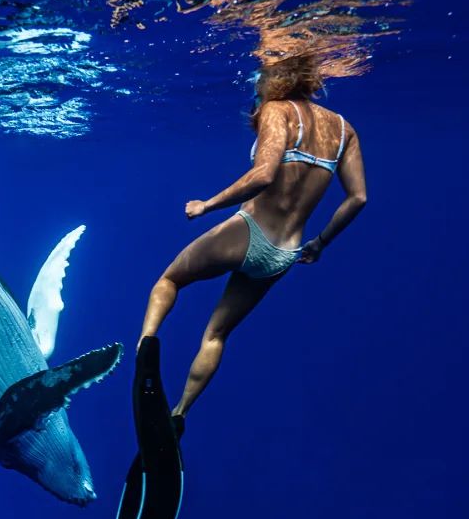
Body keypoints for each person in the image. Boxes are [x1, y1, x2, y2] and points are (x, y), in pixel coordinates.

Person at [138, 54, 368, 428]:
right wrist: (321, 242)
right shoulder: (343, 129)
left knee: (170, 281)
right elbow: (358, 198)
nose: (256, 83)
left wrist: (206, 205)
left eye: (261, 74)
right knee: (217, 334)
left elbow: (263, 176)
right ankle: (179, 414)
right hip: (284, 254)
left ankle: (144, 349)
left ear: (278, 76)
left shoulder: (276, 111)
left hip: (248, 232)